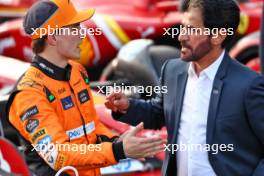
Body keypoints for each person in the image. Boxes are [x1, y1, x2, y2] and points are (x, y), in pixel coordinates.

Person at [5, 0, 164, 175]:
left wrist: (117, 141)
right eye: (74, 28)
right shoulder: (29, 93)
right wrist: (119, 151)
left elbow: (91, 127)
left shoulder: (76, 71)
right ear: (52, 37)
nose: (82, 35)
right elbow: (59, 156)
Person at [105, 0, 264, 175]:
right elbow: (159, 113)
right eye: (182, 27)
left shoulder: (249, 85)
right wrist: (128, 107)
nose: (181, 36)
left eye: (191, 29)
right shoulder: (172, 70)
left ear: (218, 36)